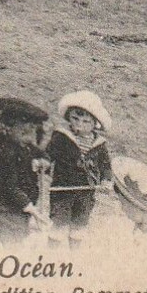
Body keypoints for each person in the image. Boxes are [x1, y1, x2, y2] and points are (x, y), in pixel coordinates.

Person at [46, 91, 115, 246]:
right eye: (75, 119)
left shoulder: (99, 143)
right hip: (62, 189)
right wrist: (43, 163)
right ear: (68, 118)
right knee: (58, 222)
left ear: (95, 124)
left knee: (80, 223)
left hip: (86, 191)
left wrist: (106, 180)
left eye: (85, 122)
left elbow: (105, 165)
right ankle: (51, 255)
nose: (78, 124)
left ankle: (75, 255)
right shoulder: (62, 136)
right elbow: (49, 154)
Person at [0, 97, 52, 246]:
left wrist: (42, 162)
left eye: (31, 129)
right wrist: (34, 212)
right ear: (7, 127)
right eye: (23, 130)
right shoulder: (4, 152)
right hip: (7, 209)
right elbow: (9, 188)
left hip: (24, 207)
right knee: (14, 245)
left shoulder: (25, 145)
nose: (29, 136)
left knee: (22, 242)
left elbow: (43, 155)